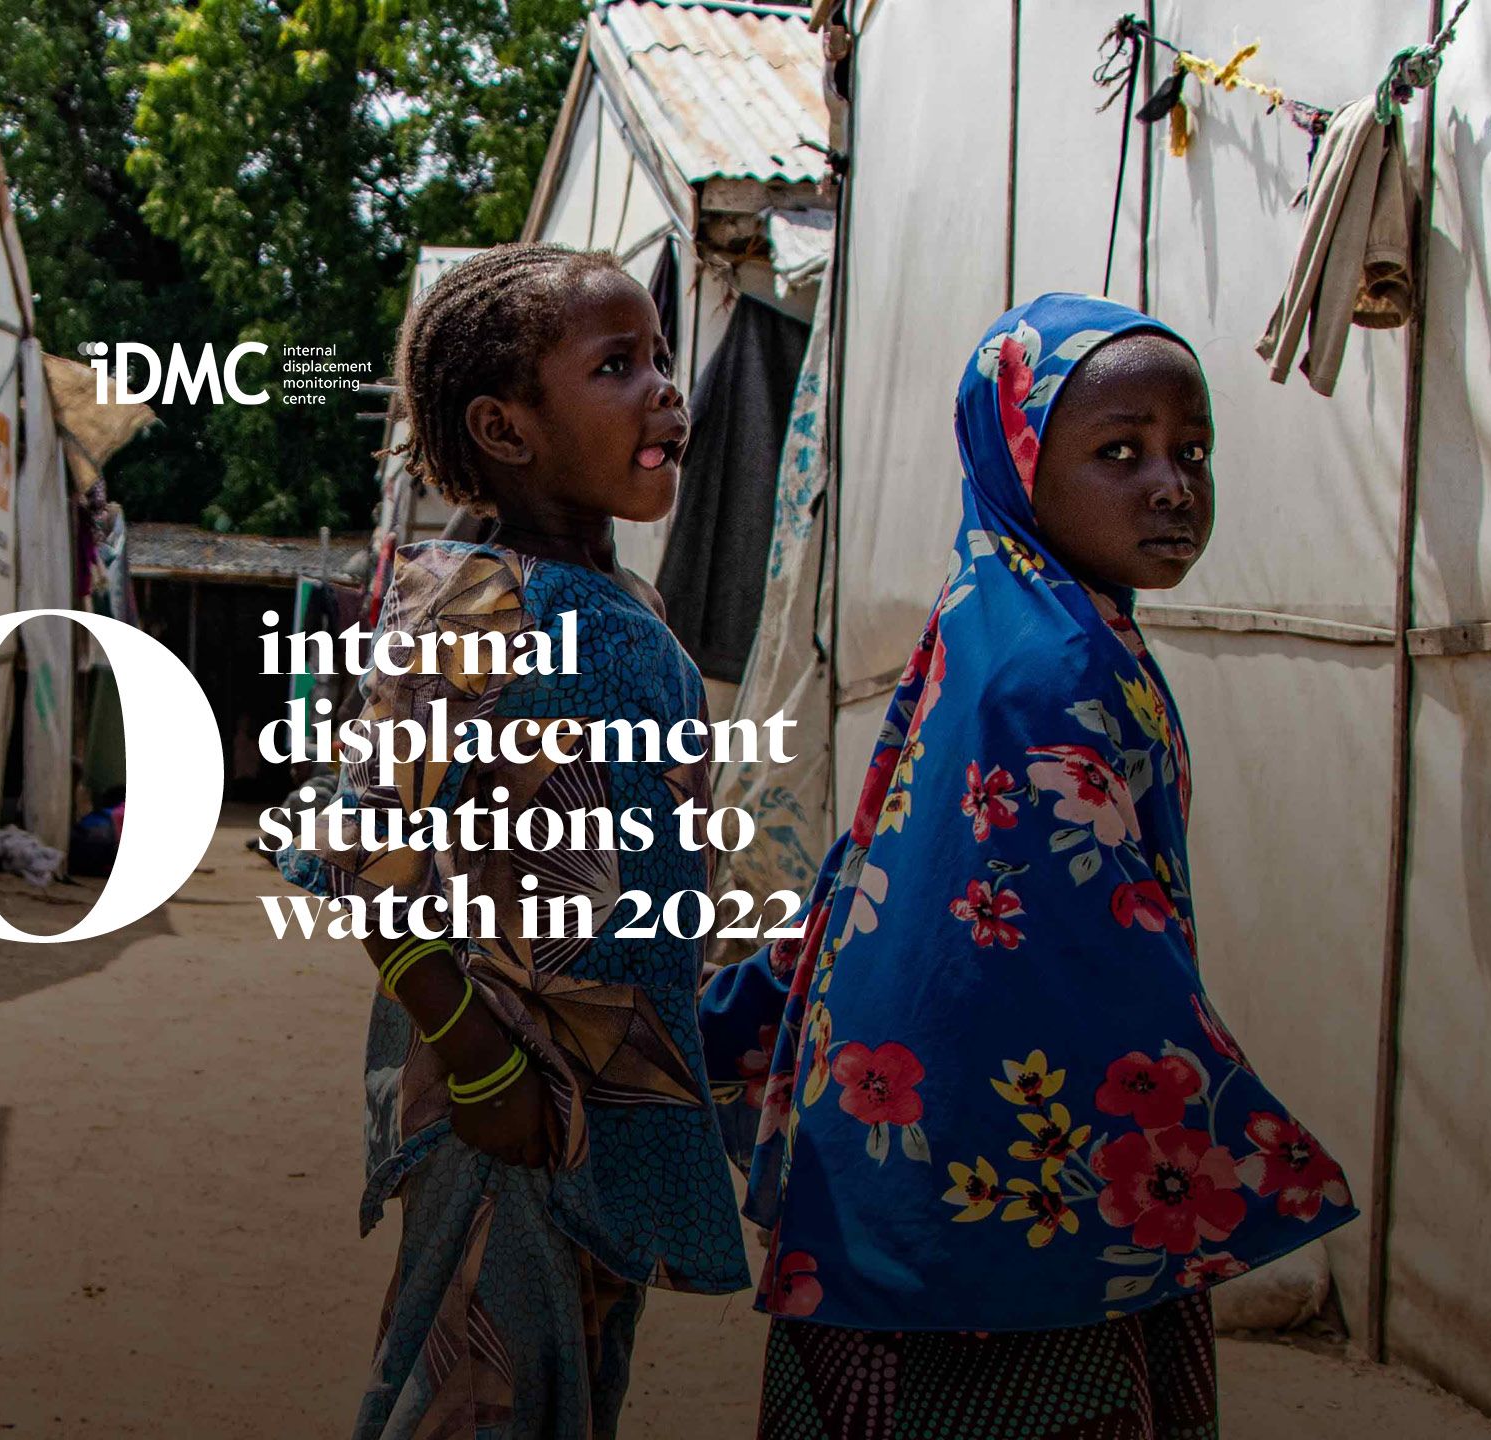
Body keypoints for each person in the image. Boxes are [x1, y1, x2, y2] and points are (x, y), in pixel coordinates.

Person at [700, 294, 1356, 1438]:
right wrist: (1234, 1142)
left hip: (905, 1170)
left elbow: (878, 864)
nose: (1170, 483)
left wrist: (740, 1013)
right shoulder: (1050, 666)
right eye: (1118, 451)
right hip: (990, 1198)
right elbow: (1069, 954)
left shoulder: (1002, 611)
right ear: (1017, 459)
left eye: (1189, 450)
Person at [277, 242, 750, 1440]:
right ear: (504, 426)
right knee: (473, 1399)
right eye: (614, 366)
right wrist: (481, 1062)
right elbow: (355, 851)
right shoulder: (478, 599)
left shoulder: (620, 606)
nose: (663, 391)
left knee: (563, 1398)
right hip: (511, 1106)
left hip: (608, 1101)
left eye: (661, 359)